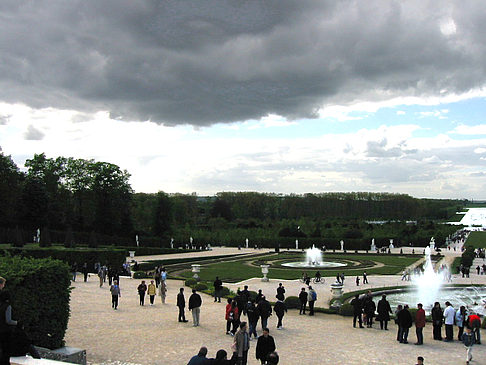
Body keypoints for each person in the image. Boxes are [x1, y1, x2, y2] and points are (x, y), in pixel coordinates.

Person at [0, 290, 17, 365]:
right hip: (5, 331)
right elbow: (8, 320)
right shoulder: (8, 306)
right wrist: (17, 323)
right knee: (6, 349)